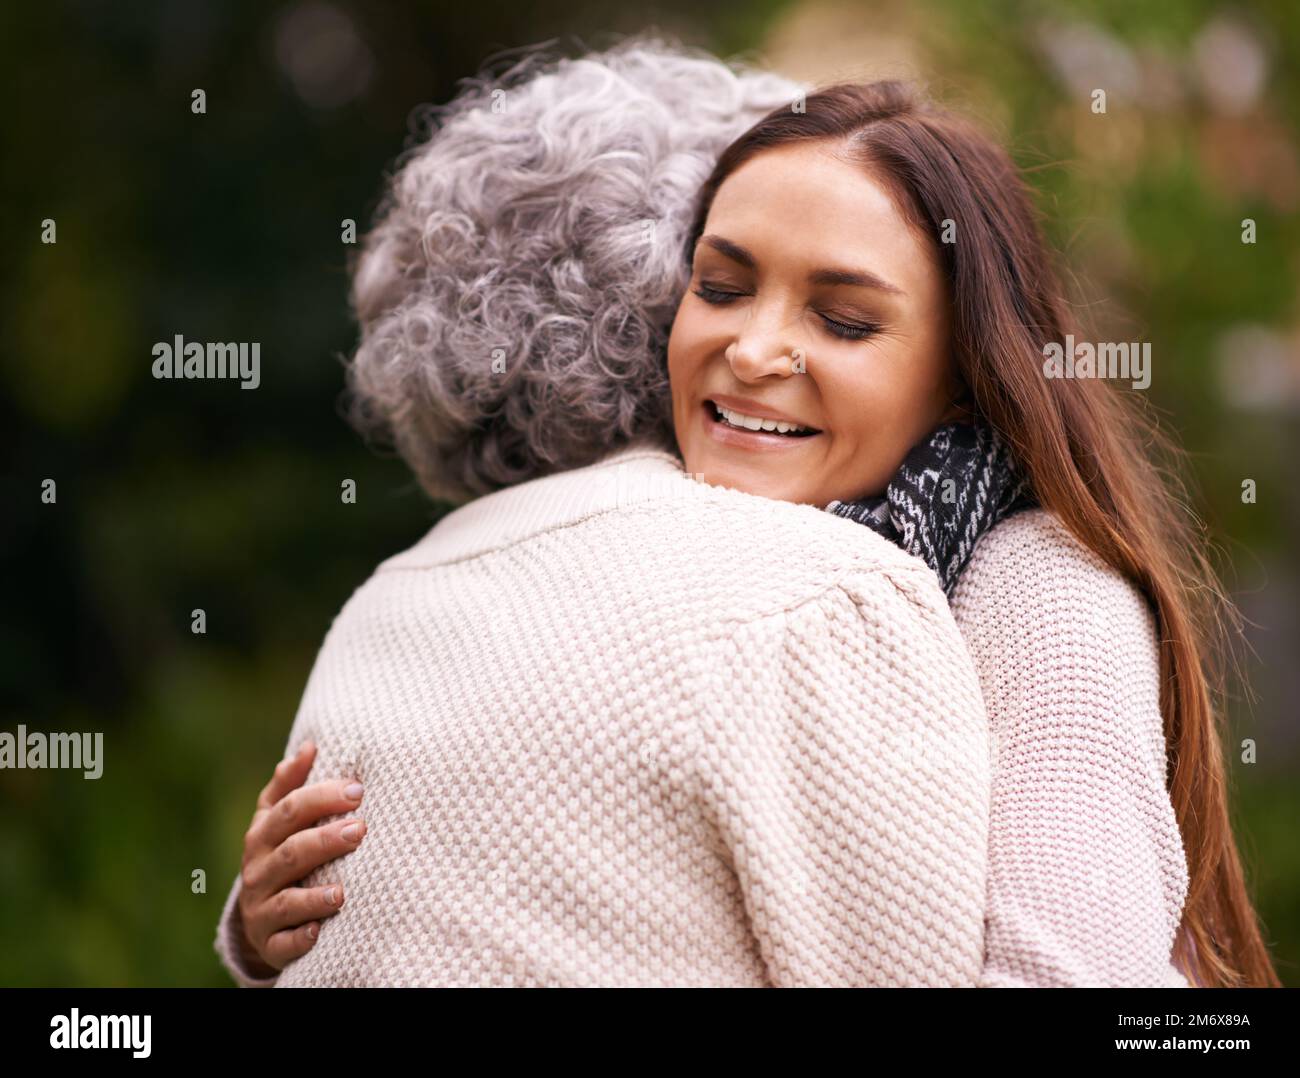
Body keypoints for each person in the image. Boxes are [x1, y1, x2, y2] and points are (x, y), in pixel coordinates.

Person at [216, 34, 1281, 988]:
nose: (756, 350)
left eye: (845, 319)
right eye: (721, 288)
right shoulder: (648, 546)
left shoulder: (1038, 588)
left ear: (960, 372)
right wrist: (273, 930)